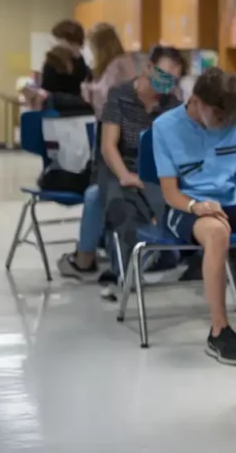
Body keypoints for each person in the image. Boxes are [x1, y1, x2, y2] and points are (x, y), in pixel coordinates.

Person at [152, 67, 236, 366]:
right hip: (185, 205)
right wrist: (197, 206)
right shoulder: (165, 128)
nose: (226, 125)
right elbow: (170, 192)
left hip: (230, 202)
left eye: (230, 119)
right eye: (219, 118)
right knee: (217, 232)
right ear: (196, 101)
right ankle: (219, 329)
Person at [58, 46, 187, 281]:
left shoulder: (173, 105)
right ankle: (90, 259)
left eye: (173, 80)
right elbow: (108, 146)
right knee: (99, 196)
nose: (167, 84)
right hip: (117, 169)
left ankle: (145, 255)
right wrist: (125, 175)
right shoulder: (120, 96)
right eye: (164, 75)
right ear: (148, 68)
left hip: (153, 174)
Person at [57, 24, 137, 281]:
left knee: (96, 193)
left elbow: (105, 97)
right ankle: (89, 251)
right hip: (116, 145)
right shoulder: (117, 66)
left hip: (125, 151)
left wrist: (89, 91)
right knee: (97, 188)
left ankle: (85, 258)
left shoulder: (120, 68)